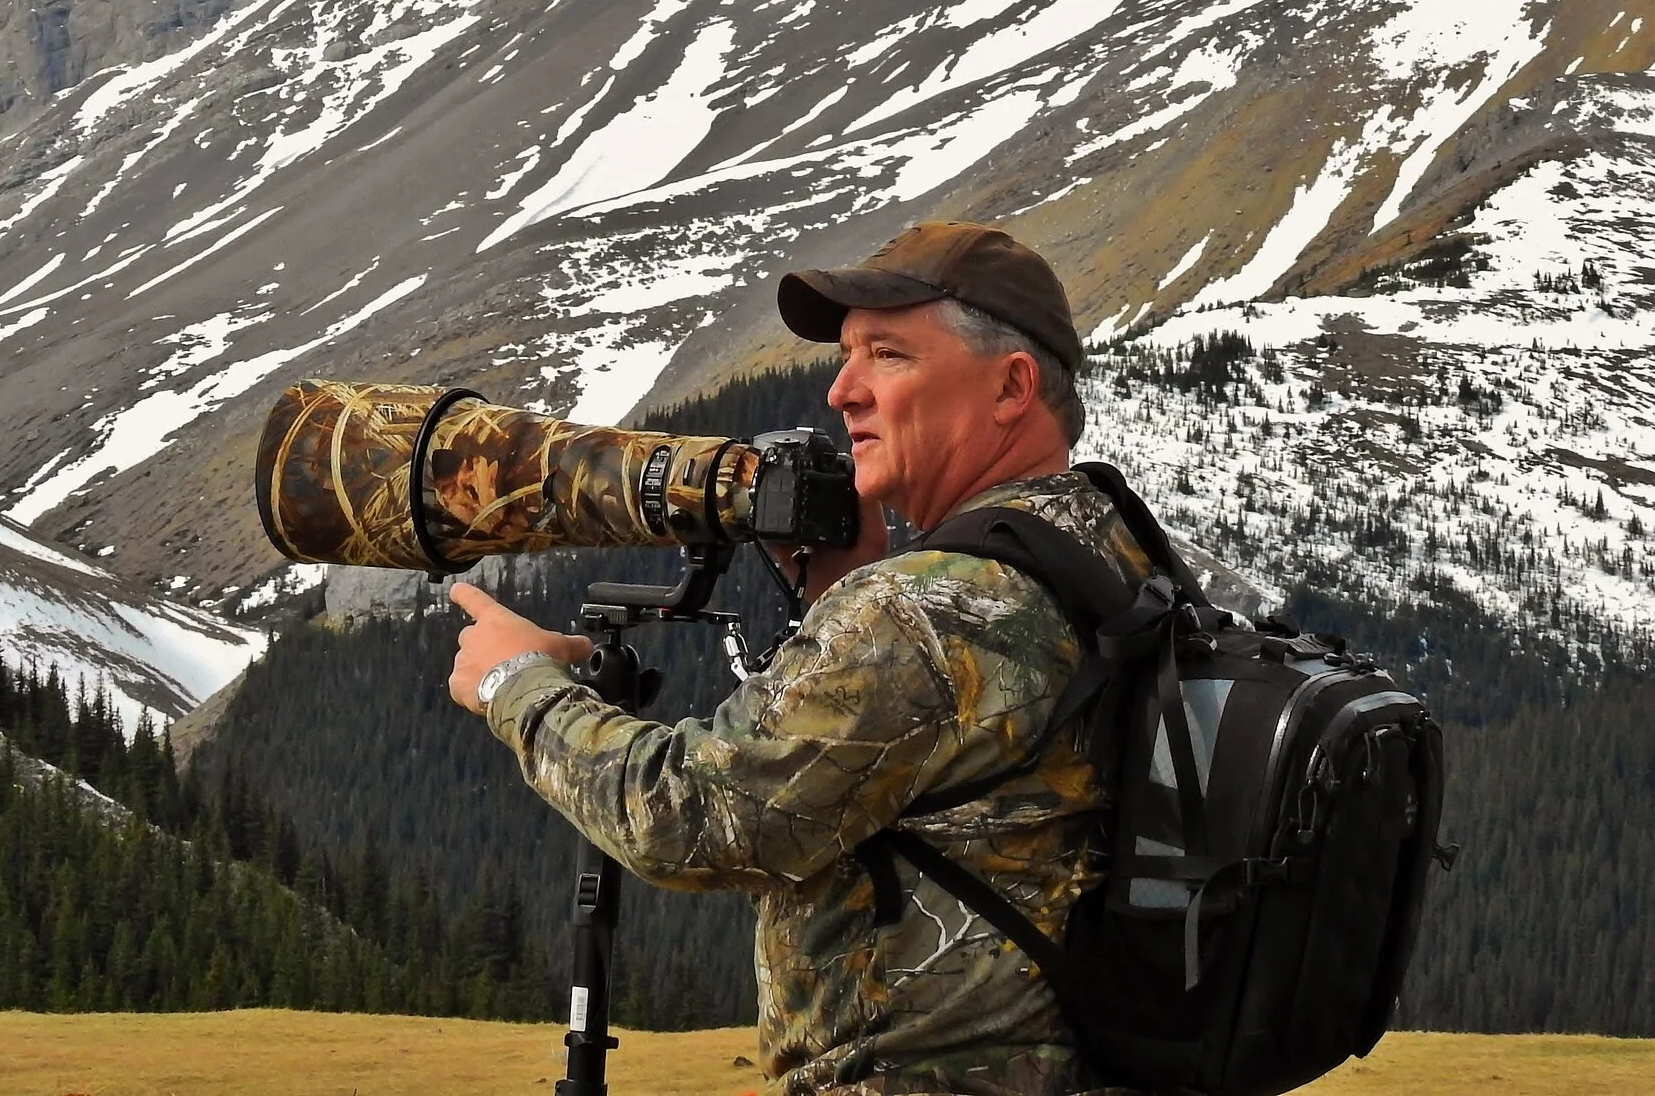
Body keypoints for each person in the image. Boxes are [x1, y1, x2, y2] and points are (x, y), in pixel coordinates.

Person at [448, 221, 1147, 1096]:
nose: (842, 391)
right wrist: (840, 600)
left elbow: (692, 817)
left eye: (887, 354)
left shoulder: (925, 608)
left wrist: (518, 684)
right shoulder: (1104, 551)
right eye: (846, 355)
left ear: (1012, 386)